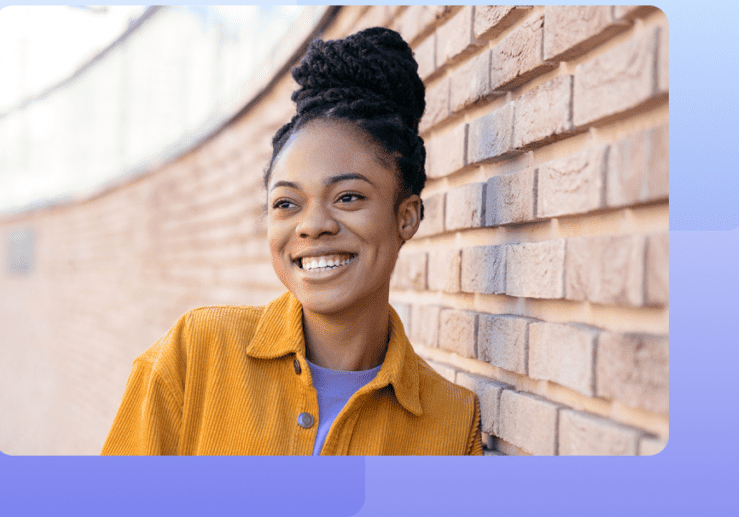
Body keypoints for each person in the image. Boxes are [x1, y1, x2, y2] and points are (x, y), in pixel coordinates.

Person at [101, 27, 482, 455]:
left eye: (348, 197)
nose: (313, 224)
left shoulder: (451, 421)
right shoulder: (195, 353)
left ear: (405, 217)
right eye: (287, 203)